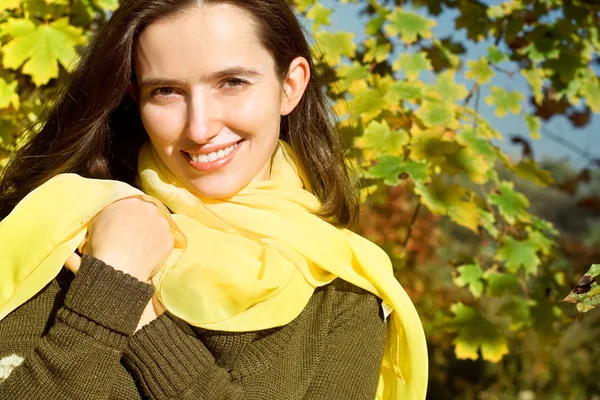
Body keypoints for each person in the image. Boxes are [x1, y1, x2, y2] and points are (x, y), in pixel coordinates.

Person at [0, 0, 428, 399]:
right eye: (166, 91)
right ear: (136, 97)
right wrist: (104, 292)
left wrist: (141, 324)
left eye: (232, 82)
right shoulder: (64, 228)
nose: (200, 127)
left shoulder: (344, 293)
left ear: (290, 86)